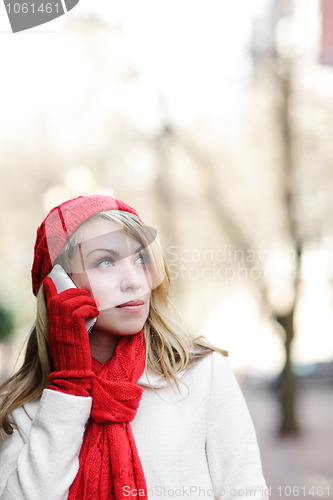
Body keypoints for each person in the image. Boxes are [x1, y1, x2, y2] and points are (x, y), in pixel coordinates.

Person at [0, 194, 268, 500]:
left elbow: (246, 492)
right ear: (59, 287)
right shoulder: (20, 407)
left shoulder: (200, 374)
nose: (134, 281)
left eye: (140, 258)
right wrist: (69, 389)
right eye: (105, 261)